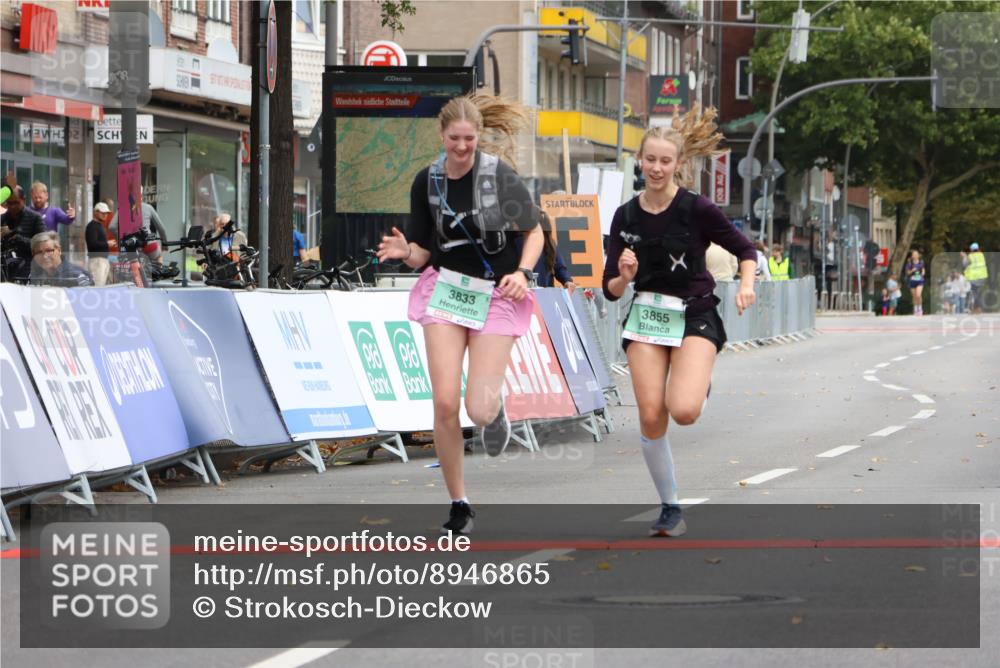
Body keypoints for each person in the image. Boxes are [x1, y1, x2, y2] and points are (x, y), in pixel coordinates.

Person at [376, 94, 543, 535]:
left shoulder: (498, 176)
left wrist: (523, 273)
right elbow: (423, 253)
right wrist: (405, 252)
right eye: (455, 138)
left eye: (470, 138)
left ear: (479, 136)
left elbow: (534, 232)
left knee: (479, 410)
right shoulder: (427, 182)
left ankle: (494, 409)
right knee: (445, 402)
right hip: (447, 292)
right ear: (441, 134)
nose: (463, 146)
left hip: (496, 294)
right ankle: (459, 502)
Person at [602, 108, 757, 538]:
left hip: (694, 313)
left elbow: (746, 250)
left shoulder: (697, 208)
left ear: (679, 164)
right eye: (650, 159)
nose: (656, 168)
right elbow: (609, 289)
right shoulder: (625, 216)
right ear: (639, 160)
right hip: (647, 317)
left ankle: (698, 382)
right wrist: (624, 277)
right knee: (652, 416)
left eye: (665, 161)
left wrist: (747, 285)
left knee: (684, 411)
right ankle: (670, 507)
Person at [514, 209, 576, 291]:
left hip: (542, 291)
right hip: (524, 290)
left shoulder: (550, 243)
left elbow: (559, 267)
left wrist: (567, 280)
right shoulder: (517, 240)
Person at [109, 185, 166, 264]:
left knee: (135, 267)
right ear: (141, 195)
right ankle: (158, 270)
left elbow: (112, 227)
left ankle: (137, 272)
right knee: (158, 257)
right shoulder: (148, 207)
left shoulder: (122, 209)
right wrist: (165, 245)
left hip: (131, 245)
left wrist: (120, 242)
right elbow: (161, 229)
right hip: (148, 243)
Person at [1, 186, 46, 281]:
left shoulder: (35, 218)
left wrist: (19, 239)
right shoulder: (2, 219)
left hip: (30, 272)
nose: (12, 207)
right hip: (6, 273)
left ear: (23, 200)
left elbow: (43, 245)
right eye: (9, 203)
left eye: (16, 203)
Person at [28, 231, 93, 287]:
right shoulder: (34, 276)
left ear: (59, 251)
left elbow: (89, 296)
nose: (44, 256)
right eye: (39, 252)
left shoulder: (76, 275)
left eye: (49, 251)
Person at [85, 202, 116, 286]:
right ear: (96, 212)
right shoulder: (92, 226)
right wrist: (107, 244)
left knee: (102, 286)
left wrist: (108, 244)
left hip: (102, 260)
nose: (105, 215)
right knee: (98, 287)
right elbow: (92, 244)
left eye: (106, 213)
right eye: (103, 213)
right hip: (97, 261)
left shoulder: (99, 225)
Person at [963, 242, 988, 313]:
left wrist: (964, 257)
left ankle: (977, 309)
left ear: (971, 249)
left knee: (975, 293)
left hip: (974, 277)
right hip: (982, 276)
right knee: (978, 293)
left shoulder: (971, 256)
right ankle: (977, 308)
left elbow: (965, 264)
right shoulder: (981, 255)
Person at [904, 249, 926, 316]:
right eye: (914, 254)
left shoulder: (921, 262)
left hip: (920, 281)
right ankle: (915, 309)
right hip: (912, 281)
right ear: (912, 256)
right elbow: (907, 273)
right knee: (914, 296)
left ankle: (920, 309)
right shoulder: (910, 263)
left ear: (918, 255)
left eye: (916, 254)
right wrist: (912, 271)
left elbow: (923, 269)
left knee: (918, 295)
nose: (915, 255)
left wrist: (923, 273)